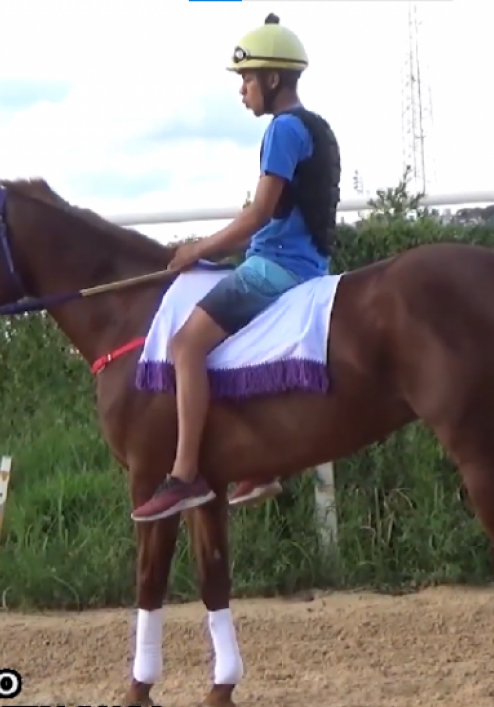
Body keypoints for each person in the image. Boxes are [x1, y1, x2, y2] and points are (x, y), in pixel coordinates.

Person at [132, 13, 342, 522]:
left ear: (272, 80)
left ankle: (184, 477)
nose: (242, 90)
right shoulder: (317, 126)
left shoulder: (283, 131)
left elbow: (260, 213)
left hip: (276, 270)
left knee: (185, 345)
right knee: (237, 352)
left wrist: (195, 249)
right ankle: (261, 463)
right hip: (306, 265)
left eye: (247, 79)